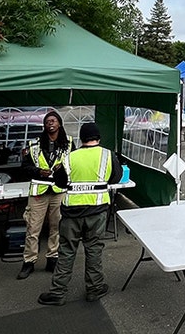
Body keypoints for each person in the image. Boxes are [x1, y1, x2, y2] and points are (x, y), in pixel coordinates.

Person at [38, 122, 122, 306]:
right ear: (98, 138)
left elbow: (59, 183)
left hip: (71, 214)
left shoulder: (69, 158)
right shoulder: (108, 155)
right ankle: (94, 289)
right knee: (94, 250)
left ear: (81, 139)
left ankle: (58, 293)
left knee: (66, 251)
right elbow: (116, 177)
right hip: (97, 212)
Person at [17, 110, 69, 280]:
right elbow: (24, 168)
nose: (50, 124)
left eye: (53, 121)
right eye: (47, 122)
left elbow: (73, 165)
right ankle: (29, 261)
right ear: (44, 126)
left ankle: (52, 259)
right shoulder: (34, 144)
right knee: (33, 228)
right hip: (39, 189)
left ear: (59, 123)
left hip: (58, 191)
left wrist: (62, 171)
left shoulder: (69, 143)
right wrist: (38, 171)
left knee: (56, 226)